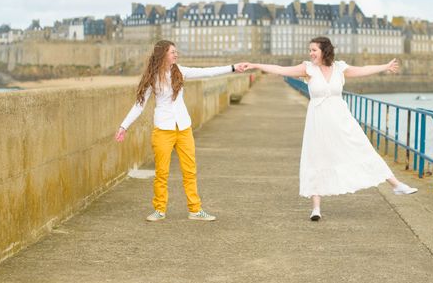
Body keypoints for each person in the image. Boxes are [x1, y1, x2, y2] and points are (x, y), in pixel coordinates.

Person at [245, 36, 417, 221]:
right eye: (309, 50)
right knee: (316, 158)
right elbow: (280, 69)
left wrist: (384, 66)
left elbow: (363, 70)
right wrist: (255, 64)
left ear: (324, 51)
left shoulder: (339, 68)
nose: (310, 53)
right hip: (318, 121)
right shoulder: (307, 69)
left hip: (342, 119)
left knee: (362, 148)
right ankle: (316, 208)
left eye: (314, 50)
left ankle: (396, 185)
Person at [115, 40, 247, 222]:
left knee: (190, 171)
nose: (176, 55)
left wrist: (233, 68)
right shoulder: (152, 77)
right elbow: (139, 105)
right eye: (172, 52)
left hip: (183, 128)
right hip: (163, 129)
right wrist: (124, 126)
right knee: (162, 173)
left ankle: (195, 210)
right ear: (162, 55)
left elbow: (206, 72)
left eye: (176, 52)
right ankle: (159, 210)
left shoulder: (181, 71)